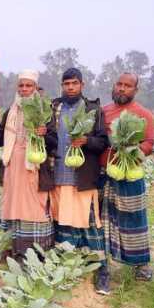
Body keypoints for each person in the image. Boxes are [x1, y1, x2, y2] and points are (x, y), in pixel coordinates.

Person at [49, 67, 110, 294]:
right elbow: (49, 138)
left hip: (83, 177)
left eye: (74, 83)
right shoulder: (54, 107)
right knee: (62, 221)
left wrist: (86, 141)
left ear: (82, 85)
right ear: (62, 86)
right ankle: (66, 267)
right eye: (67, 84)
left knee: (90, 224)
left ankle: (101, 271)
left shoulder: (93, 109)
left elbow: (103, 141)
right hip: (58, 175)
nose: (70, 87)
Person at [0, 70, 57, 261]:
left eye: (28, 85)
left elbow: (54, 141)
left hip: (34, 167)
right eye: (21, 85)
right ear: (17, 88)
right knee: (12, 206)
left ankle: (35, 253)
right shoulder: (11, 110)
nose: (24, 89)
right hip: (12, 166)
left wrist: (44, 133)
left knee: (33, 208)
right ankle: (12, 250)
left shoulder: (45, 111)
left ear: (35, 88)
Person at [100, 73, 154, 281]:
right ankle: (102, 262)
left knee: (134, 218)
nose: (122, 88)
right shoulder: (104, 112)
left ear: (135, 90)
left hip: (130, 174)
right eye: (119, 84)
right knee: (103, 219)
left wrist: (132, 149)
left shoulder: (144, 115)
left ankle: (140, 263)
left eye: (128, 86)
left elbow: (150, 143)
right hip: (105, 174)